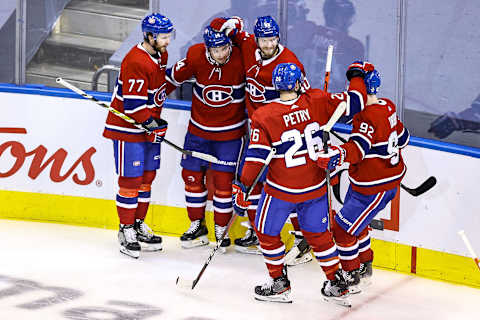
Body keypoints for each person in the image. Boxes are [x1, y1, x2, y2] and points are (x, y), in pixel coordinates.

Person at [232, 62, 369, 304]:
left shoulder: (264, 115)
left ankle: (279, 284)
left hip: (280, 191)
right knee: (319, 236)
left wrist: (243, 186)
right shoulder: (317, 99)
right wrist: (357, 75)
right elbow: (356, 101)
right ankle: (336, 282)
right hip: (315, 188)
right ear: (297, 83)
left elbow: (255, 159)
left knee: (266, 232)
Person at [210, 15, 312, 257]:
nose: (268, 45)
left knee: (287, 188)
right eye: (264, 40)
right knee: (252, 183)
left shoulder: (289, 63)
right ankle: (257, 232)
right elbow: (222, 28)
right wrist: (231, 22)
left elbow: (304, 99)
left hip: (281, 136)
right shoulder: (247, 45)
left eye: (272, 39)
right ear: (256, 39)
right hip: (256, 132)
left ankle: (302, 238)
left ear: (278, 38)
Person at [317, 69, 410, 291]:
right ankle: (364, 264)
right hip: (373, 181)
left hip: (374, 187)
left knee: (341, 230)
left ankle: (351, 274)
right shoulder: (387, 106)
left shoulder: (368, 116)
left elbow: (358, 149)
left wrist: (337, 154)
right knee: (357, 225)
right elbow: (404, 138)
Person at [165, 26, 247, 253]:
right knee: (191, 177)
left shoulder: (242, 58)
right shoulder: (195, 55)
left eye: (224, 48)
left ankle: (221, 230)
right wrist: (148, 105)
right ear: (207, 48)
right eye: (216, 49)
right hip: (198, 132)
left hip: (230, 136)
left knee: (223, 185)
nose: (221, 53)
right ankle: (197, 226)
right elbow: (169, 79)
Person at [102, 13, 174, 259]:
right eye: (163, 37)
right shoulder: (134, 61)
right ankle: (125, 228)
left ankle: (138, 223)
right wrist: (153, 124)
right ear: (149, 36)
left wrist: (155, 125)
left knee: (147, 177)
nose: (167, 41)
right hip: (128, 129)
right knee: (131, 180)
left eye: (168, 36)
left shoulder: (160, 55)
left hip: (147, 128)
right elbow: (133, 107)